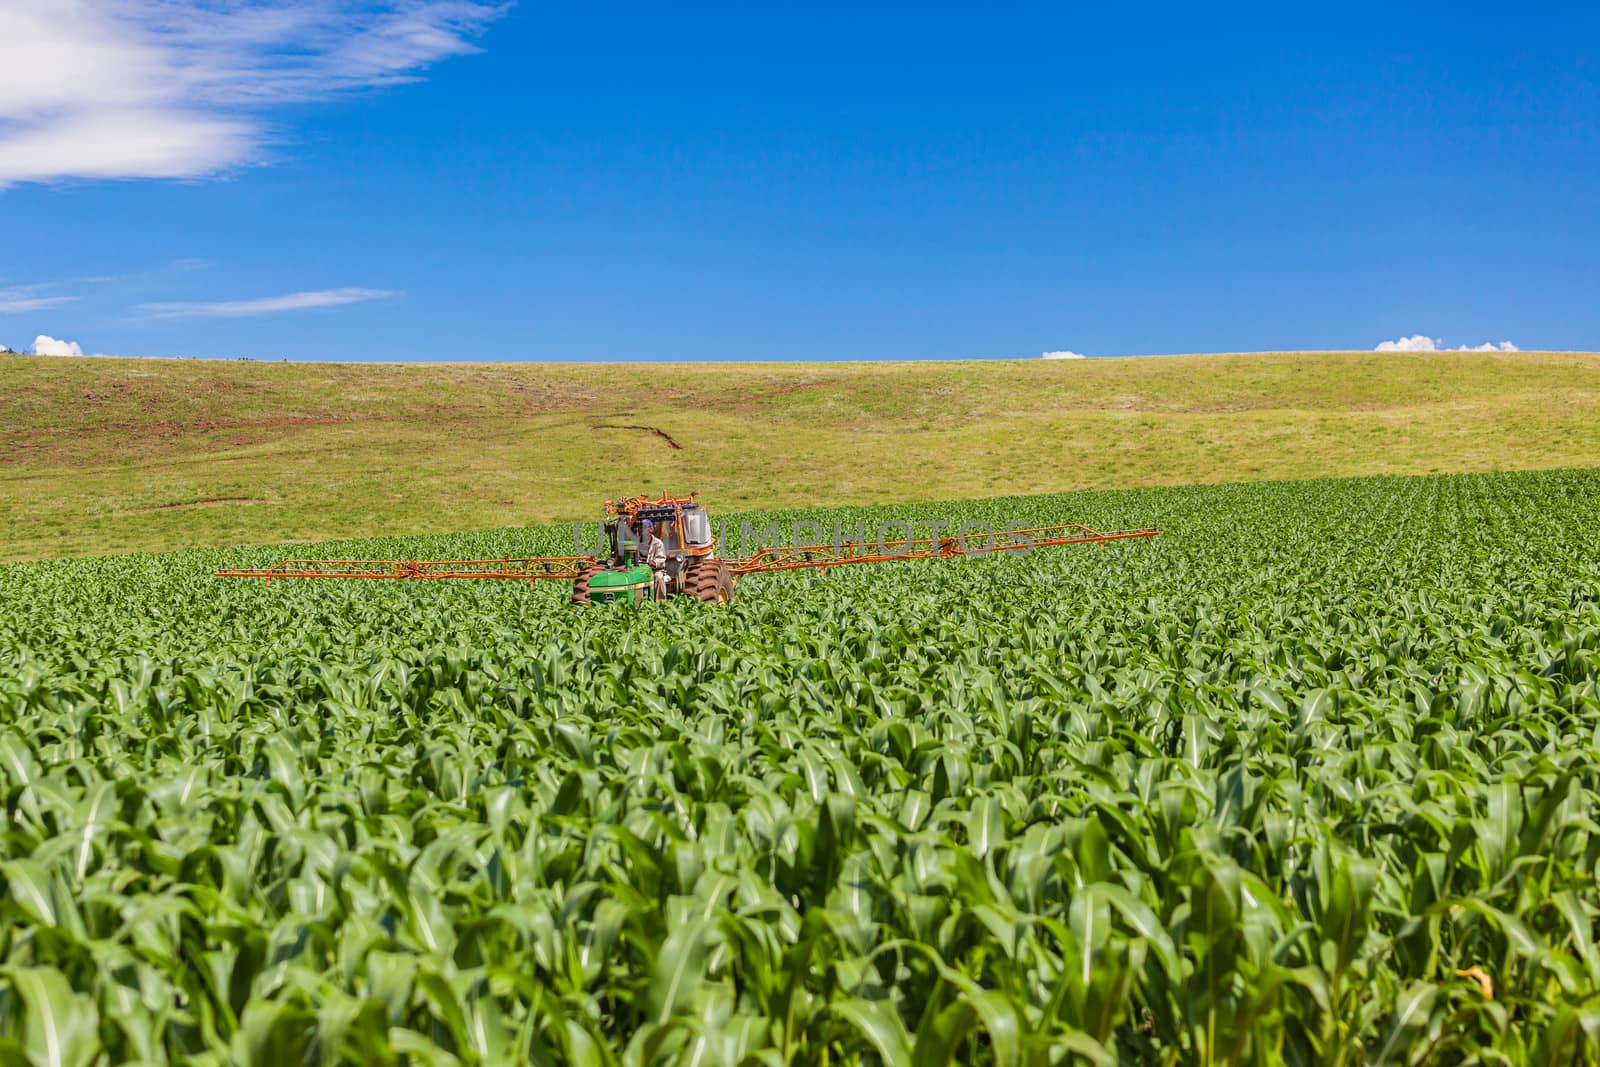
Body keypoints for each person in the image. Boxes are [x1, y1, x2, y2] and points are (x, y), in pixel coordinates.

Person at [640, 519, 668, 599]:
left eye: (645, 527)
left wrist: (653, 562)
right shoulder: (636, 543)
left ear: (651, 529)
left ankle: (659, 602)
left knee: (658, 577)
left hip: (653, 570)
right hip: (639, 569)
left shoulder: (658, 543)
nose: (643, 530)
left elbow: (661, 559)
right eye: (641, 528)